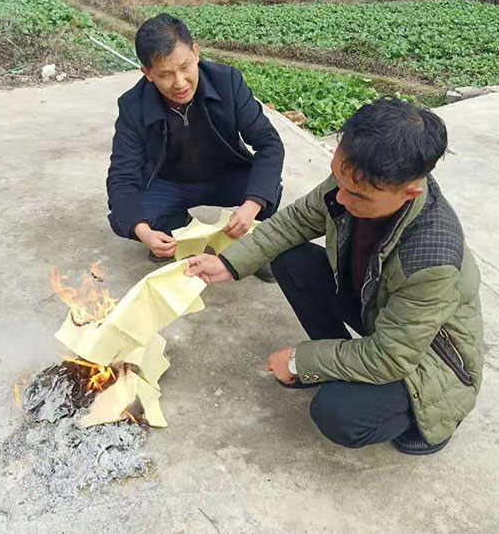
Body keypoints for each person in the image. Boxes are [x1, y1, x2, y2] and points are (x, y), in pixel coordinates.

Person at [186, 98, 483, 455]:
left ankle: (426, 418)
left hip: (428, 356)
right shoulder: (357, 174)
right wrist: (229, 262)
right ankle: (339, 365)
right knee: (288, 257)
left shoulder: (432, 260)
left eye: (356, 195)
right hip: (379, 309)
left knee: (338, 414)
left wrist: (302, 359)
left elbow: (390, 357)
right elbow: (297, 220)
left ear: (409, 192)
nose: (339, 198)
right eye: (337, 177)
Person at [106, 13, 284, 281]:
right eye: (165, 74)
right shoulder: (132, 106)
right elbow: (121, 178)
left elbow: (269, 145)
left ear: (196, 53)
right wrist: (144, 233)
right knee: (130, 216)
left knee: (267, 186)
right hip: (169, 184)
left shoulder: (228, 83)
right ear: (147, 73)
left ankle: (256, 247)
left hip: (226, 175)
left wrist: (251, 205)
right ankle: (180, 230)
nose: (180, 83)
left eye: (185, 67)